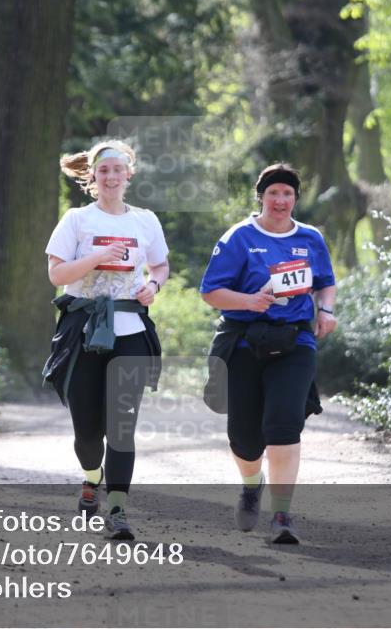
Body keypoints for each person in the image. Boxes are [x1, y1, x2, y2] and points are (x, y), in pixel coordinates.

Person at [199, 163, 337, 544]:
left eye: (288, 194)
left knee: (283, 426)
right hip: (244, 343)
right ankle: (250, 485)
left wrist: (325, 310)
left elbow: (325, 283)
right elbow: (210, 291)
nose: (280, 200)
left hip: (295, 343)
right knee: (244, 438)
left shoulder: (310, 238)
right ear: (261, 197)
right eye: (274, 193)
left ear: (295, 199)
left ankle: (282, 514)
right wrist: (250, 300)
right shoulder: (239, 238)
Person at [42, 140, 170, 540]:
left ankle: (117, 509)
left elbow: (161, 264)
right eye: (103, 171)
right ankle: (90, 477)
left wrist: (154, 284)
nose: (111, 177)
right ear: (93, 177)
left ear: (128, 174)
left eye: (118, 170)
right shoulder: (77, 220)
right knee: (86, 432)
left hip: (130, 330)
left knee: (122, 426)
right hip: (83, 331)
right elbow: (57, 275)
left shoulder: (146, 220)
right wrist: (97, 257)